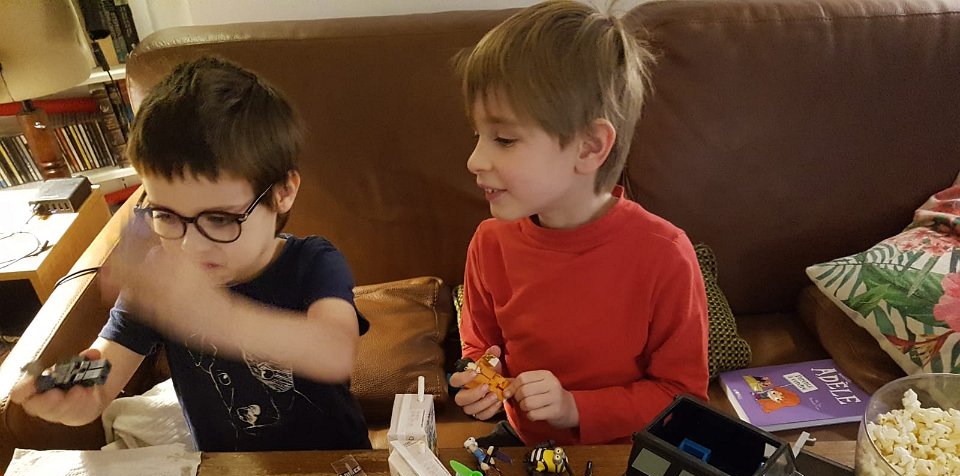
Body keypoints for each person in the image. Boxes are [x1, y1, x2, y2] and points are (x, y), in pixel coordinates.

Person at [11, 57, 371, 452]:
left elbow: (336, 351)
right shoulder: (161, 277)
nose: (190, 246)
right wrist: (80, 396)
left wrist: (210, 314)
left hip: (334, 466)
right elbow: (104, 370)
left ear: (283, 192)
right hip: (223, 474)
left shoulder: (314, 262)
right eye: (166, 215)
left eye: (219, 218)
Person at [449, 0, 709, 447]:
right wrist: (478, 377)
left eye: (504, 139)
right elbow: (479, 347)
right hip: (524, 443)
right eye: (478, 135)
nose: (475, 160)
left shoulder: (664, 254)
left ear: (589, 147)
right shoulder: (490, 242)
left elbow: (681, 397)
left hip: (624, 454)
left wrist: (574, 408)